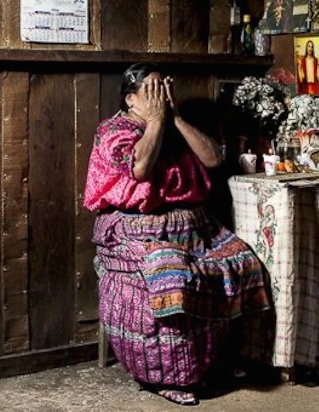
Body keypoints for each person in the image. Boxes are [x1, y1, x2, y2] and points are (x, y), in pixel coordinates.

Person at [83, 63, 271, 406]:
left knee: (241, 261)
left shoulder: (177, 128)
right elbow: (139, 168)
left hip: (195, 228)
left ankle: (213, 363)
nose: (159, 98)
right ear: (130, 99)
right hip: (133, 232)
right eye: (151, 92)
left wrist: (176, 117)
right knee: (173, 275)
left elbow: (213, 159)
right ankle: (168, 375)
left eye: (163, 89)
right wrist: (155, 121)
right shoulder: (113, 130)